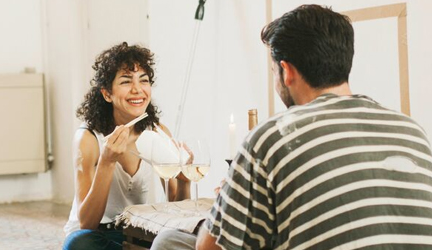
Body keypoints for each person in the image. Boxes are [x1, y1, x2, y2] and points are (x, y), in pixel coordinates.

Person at [155, 4, 432, 250]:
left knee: (168, 242)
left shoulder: (273, 137)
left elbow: (208, 249)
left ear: (286, 71)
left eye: (274, 71)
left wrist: (229, 200)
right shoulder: (411, 131)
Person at [62, 42, 191, 250]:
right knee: (79, 244)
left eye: (144, 80)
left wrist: (184, 181)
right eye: (125, 81)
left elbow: (177, 209)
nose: (137, 89)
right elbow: (87, 223)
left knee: (173, 239)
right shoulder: (88, 138)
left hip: (139, 228)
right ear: (107, 94)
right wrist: (107, 161)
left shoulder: (156, 132)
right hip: (98, 233)